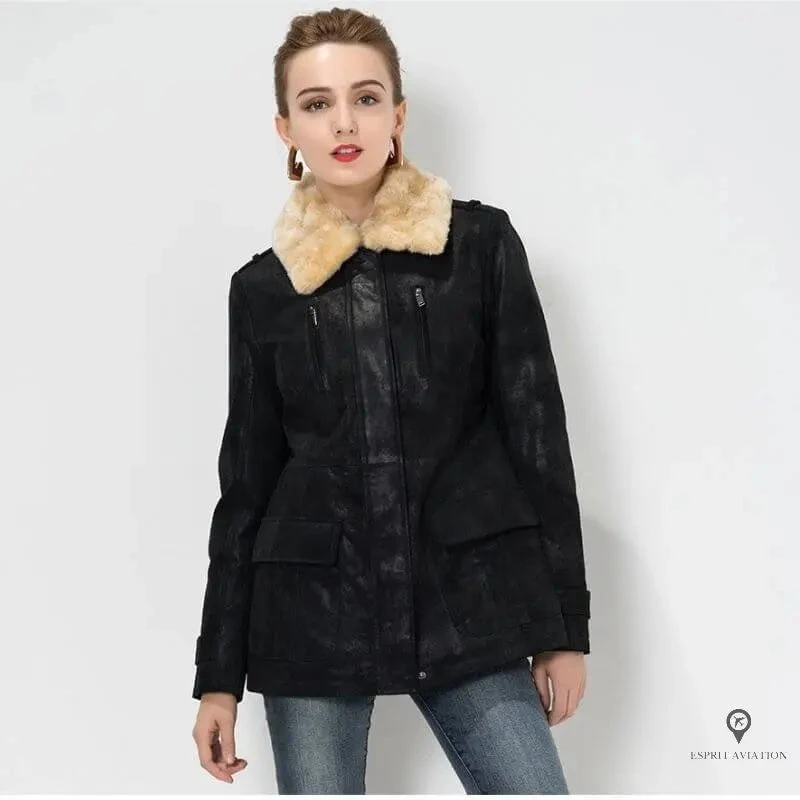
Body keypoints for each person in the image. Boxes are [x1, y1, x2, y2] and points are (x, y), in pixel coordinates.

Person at [191, 6, 591, 794]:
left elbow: (538, 438)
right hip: (312, 618)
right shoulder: (263, 290)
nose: (345, 122)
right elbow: (246, 487)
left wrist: (564, 627)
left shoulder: (479, 248)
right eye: (317, 103)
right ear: (285, 130)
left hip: (467, 601)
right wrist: (218, 680)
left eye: (366, 98)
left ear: (398, 116)